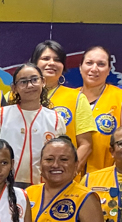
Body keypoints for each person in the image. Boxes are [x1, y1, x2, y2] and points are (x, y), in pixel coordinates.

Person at [0, 63, 66, 188]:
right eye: (23, 82)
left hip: (42, 187)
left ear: (43, 82)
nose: (30, 85)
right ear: (14, 88)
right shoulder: (1, 115)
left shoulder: (56, 119)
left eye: (34, 80)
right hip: (4, 186)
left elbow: (61, 156)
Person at [31, 40, 95, 171]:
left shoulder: (77, 98)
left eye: (57, 60)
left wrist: (68, 171)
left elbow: (86, 144)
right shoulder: (14, 96)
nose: (51, 63)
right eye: (45, 58)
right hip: (22, 175)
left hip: (61, 175)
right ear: (34, 63)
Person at [79, 45, 122, 172]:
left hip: (107, 178)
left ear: (109, 69)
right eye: (89, 63)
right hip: (67, 178)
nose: (94, 69)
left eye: (101, 64)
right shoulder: (70, 98)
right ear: (80, 67)